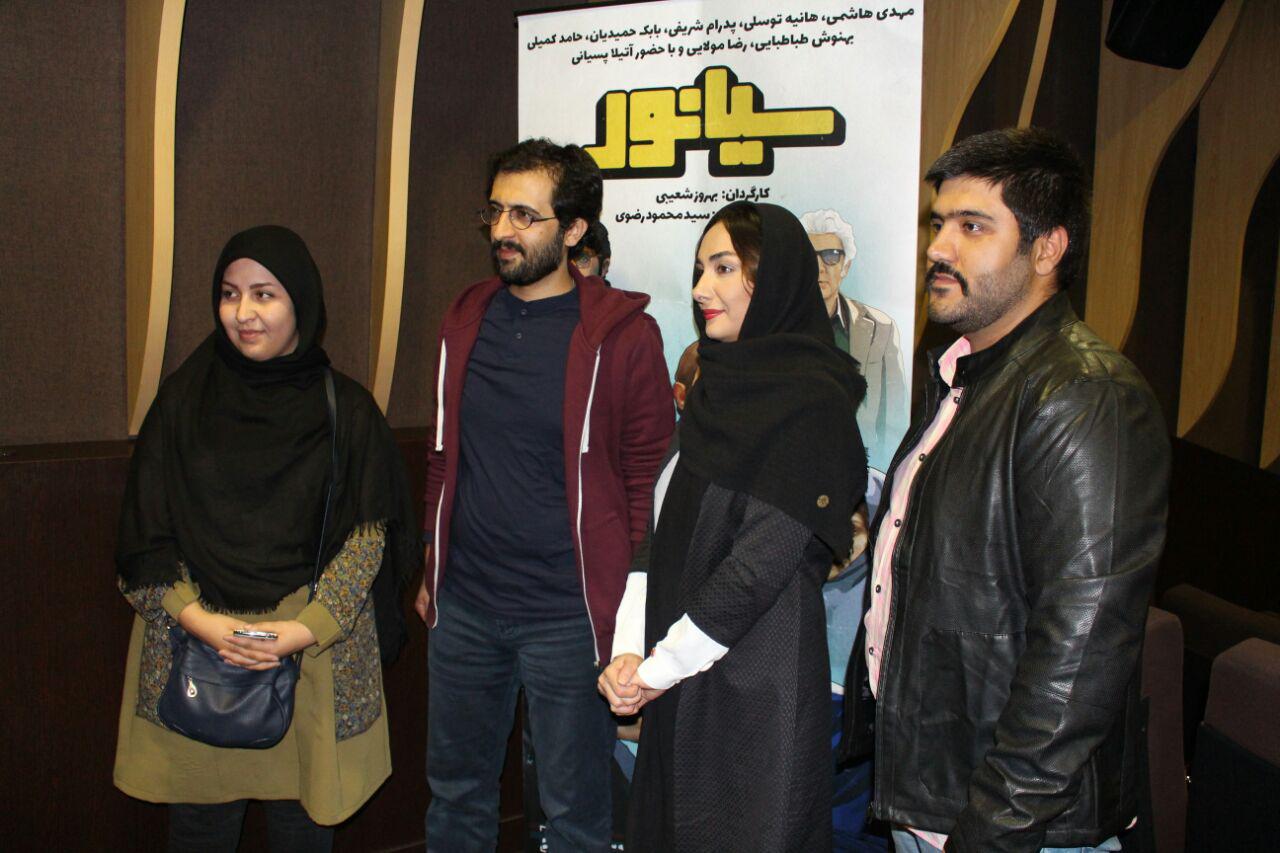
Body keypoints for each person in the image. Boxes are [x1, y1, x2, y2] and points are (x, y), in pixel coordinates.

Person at [854, 127, 1170, 852]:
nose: (939, 248)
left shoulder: (1085, 394)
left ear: (1047, 248)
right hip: (934, 797)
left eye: (973, 227)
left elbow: (1083, 650)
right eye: (940, 224)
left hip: (1014, 827)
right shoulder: (964, 376)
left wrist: (993, 828)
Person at [114, 225, 418, 851]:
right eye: (229, 294)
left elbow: (368, 540)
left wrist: (303, 631)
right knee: (199, 828)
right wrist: (201, 622)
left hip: (311, 655)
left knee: (302, 828)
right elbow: (145, 535)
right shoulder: (182, 402)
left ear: (300, 301)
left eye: (264, 294)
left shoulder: (347, 412)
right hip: (200, 653)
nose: (243, 313)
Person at [415, 138, 673, 852]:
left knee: (575, 816)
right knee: (455, 797)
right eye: (496, 211)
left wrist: (629, 619)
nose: (503, 230)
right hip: (465, 606)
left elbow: (649, 481)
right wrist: (432, 561)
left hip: (570, 616)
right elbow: (443, 454)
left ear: (574, 229)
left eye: (525, 216)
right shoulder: (465, 318)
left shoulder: (624, 337)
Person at [599, 201, 868, 852]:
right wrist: (630, 650)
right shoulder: (712, 389)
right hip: (676, 679)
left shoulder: (814, 403)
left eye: (723, 268)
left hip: (754, 694)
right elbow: (655, 531)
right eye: (700, 269)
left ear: (773, 280)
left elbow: (758, 565)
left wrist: (656, 670)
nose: (700, 289)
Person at [800, 208, 907, 467]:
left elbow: (892, 422)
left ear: (845, 266)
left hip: (862, 468)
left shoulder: (880, 328)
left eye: (831, 256)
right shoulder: (776, 327)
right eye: (809, 256)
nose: (819, 267)